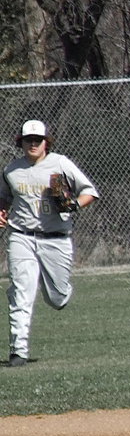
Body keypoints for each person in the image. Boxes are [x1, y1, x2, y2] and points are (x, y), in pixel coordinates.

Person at [0, 120, 100, 367]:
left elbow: (90, 192)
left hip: (56, 239)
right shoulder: (11, 170)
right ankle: (18, 351)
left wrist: (74, 204)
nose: (33, 143)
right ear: (20, 142)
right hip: (21, 236)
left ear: (46, 142)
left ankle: (53, 286)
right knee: (21, 293)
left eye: (38, 139)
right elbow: (4, 198)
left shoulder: (60, 164)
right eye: (28, 140)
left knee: (57, 298)